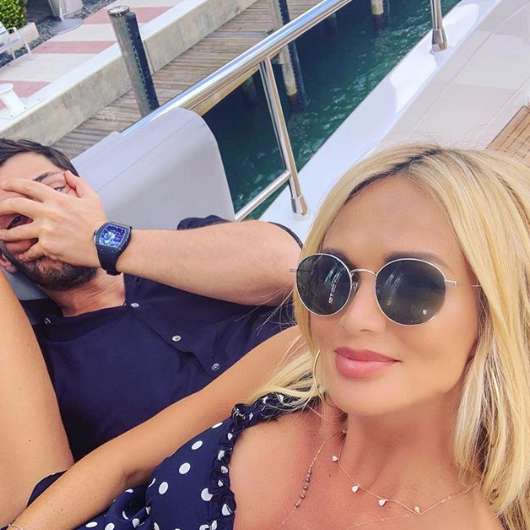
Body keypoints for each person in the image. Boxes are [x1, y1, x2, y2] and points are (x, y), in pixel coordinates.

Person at [6, 144, 529, 530]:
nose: (354, 318)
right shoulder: (46, 348)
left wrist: (103, 241)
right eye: (332, 275)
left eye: (411, 286)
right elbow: (121, 462)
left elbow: (282, 264)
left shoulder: (188, 251)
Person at [0, 138, 301, 523]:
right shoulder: (43, 365)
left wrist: (103, 240)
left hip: (330, 418)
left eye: (55, 193)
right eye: (18, 220)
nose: (48, 219)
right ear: (5, 260)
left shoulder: (189, 244)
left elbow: (289, 268)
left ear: (86, 194)